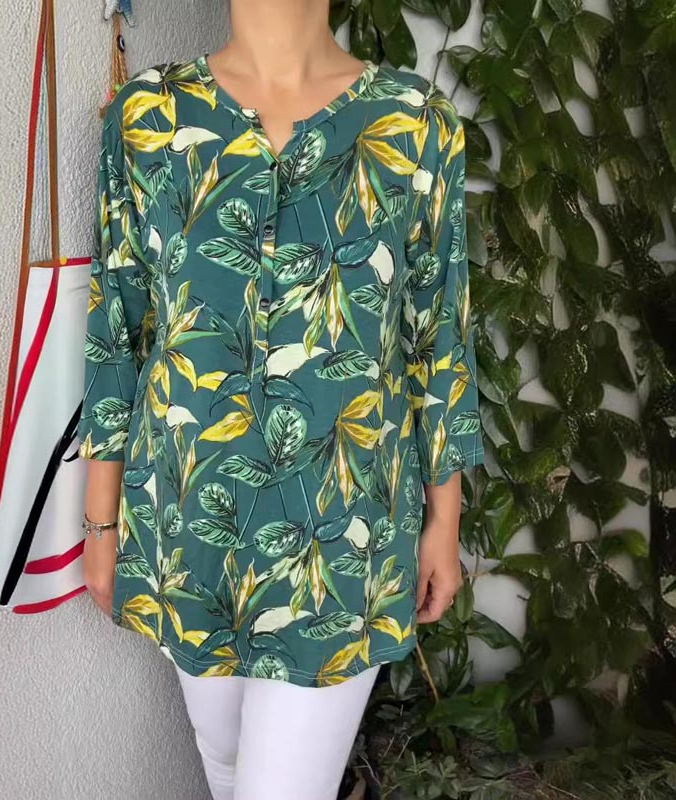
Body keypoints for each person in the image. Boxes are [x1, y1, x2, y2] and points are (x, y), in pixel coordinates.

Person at [77, 1, 485, 797]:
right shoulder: (150, 116)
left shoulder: (413, 123)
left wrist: (446, 515)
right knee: (225, 761)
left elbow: (439, 335)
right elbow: (117, 328)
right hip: (189, 530)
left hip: (343, 538)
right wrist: (101, 523)